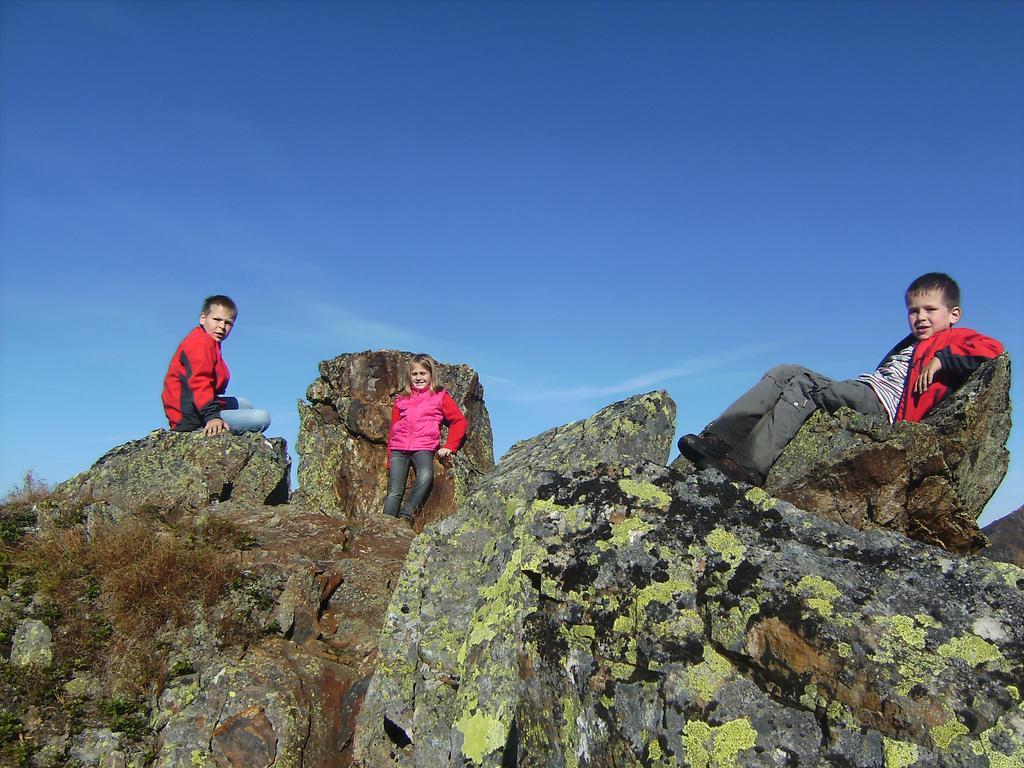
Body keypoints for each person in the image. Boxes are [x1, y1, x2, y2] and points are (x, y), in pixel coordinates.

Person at [678, 273, 1003, 485]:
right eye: (913, 310)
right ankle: (718, 439)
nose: (920, 318)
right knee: (785, 371)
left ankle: (747, 466)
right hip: (866, 388)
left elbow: (992, 350)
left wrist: (942, 359)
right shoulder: (911, 343)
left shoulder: (955, 338)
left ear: (953, 315)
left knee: (804, 387)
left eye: (930, 310)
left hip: (884, 406)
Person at [161, 295, 271, 436]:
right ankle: (202, 430)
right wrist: (212, 417)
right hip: (188, 416)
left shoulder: (210, 342)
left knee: (245, 404)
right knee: (262, 418)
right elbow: (199, 382)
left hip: (196, 404)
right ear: (203, 318)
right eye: (217, 320)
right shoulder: (201, 343)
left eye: (228, 323)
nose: (221, 327)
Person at [383, 353, 467, 524]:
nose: (419, 377)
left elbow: (459, 421)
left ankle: (406, 516)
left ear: (431, 375)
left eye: (423, 373)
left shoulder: (440, 396)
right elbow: (394, 429)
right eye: (415, 374)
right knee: (394, 491)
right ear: (409, 376)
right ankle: (384, 525)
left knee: (425, 477)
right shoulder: (402, 400)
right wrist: (390, 458)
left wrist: (450, 446)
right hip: (399, 449)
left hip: (423, 447)